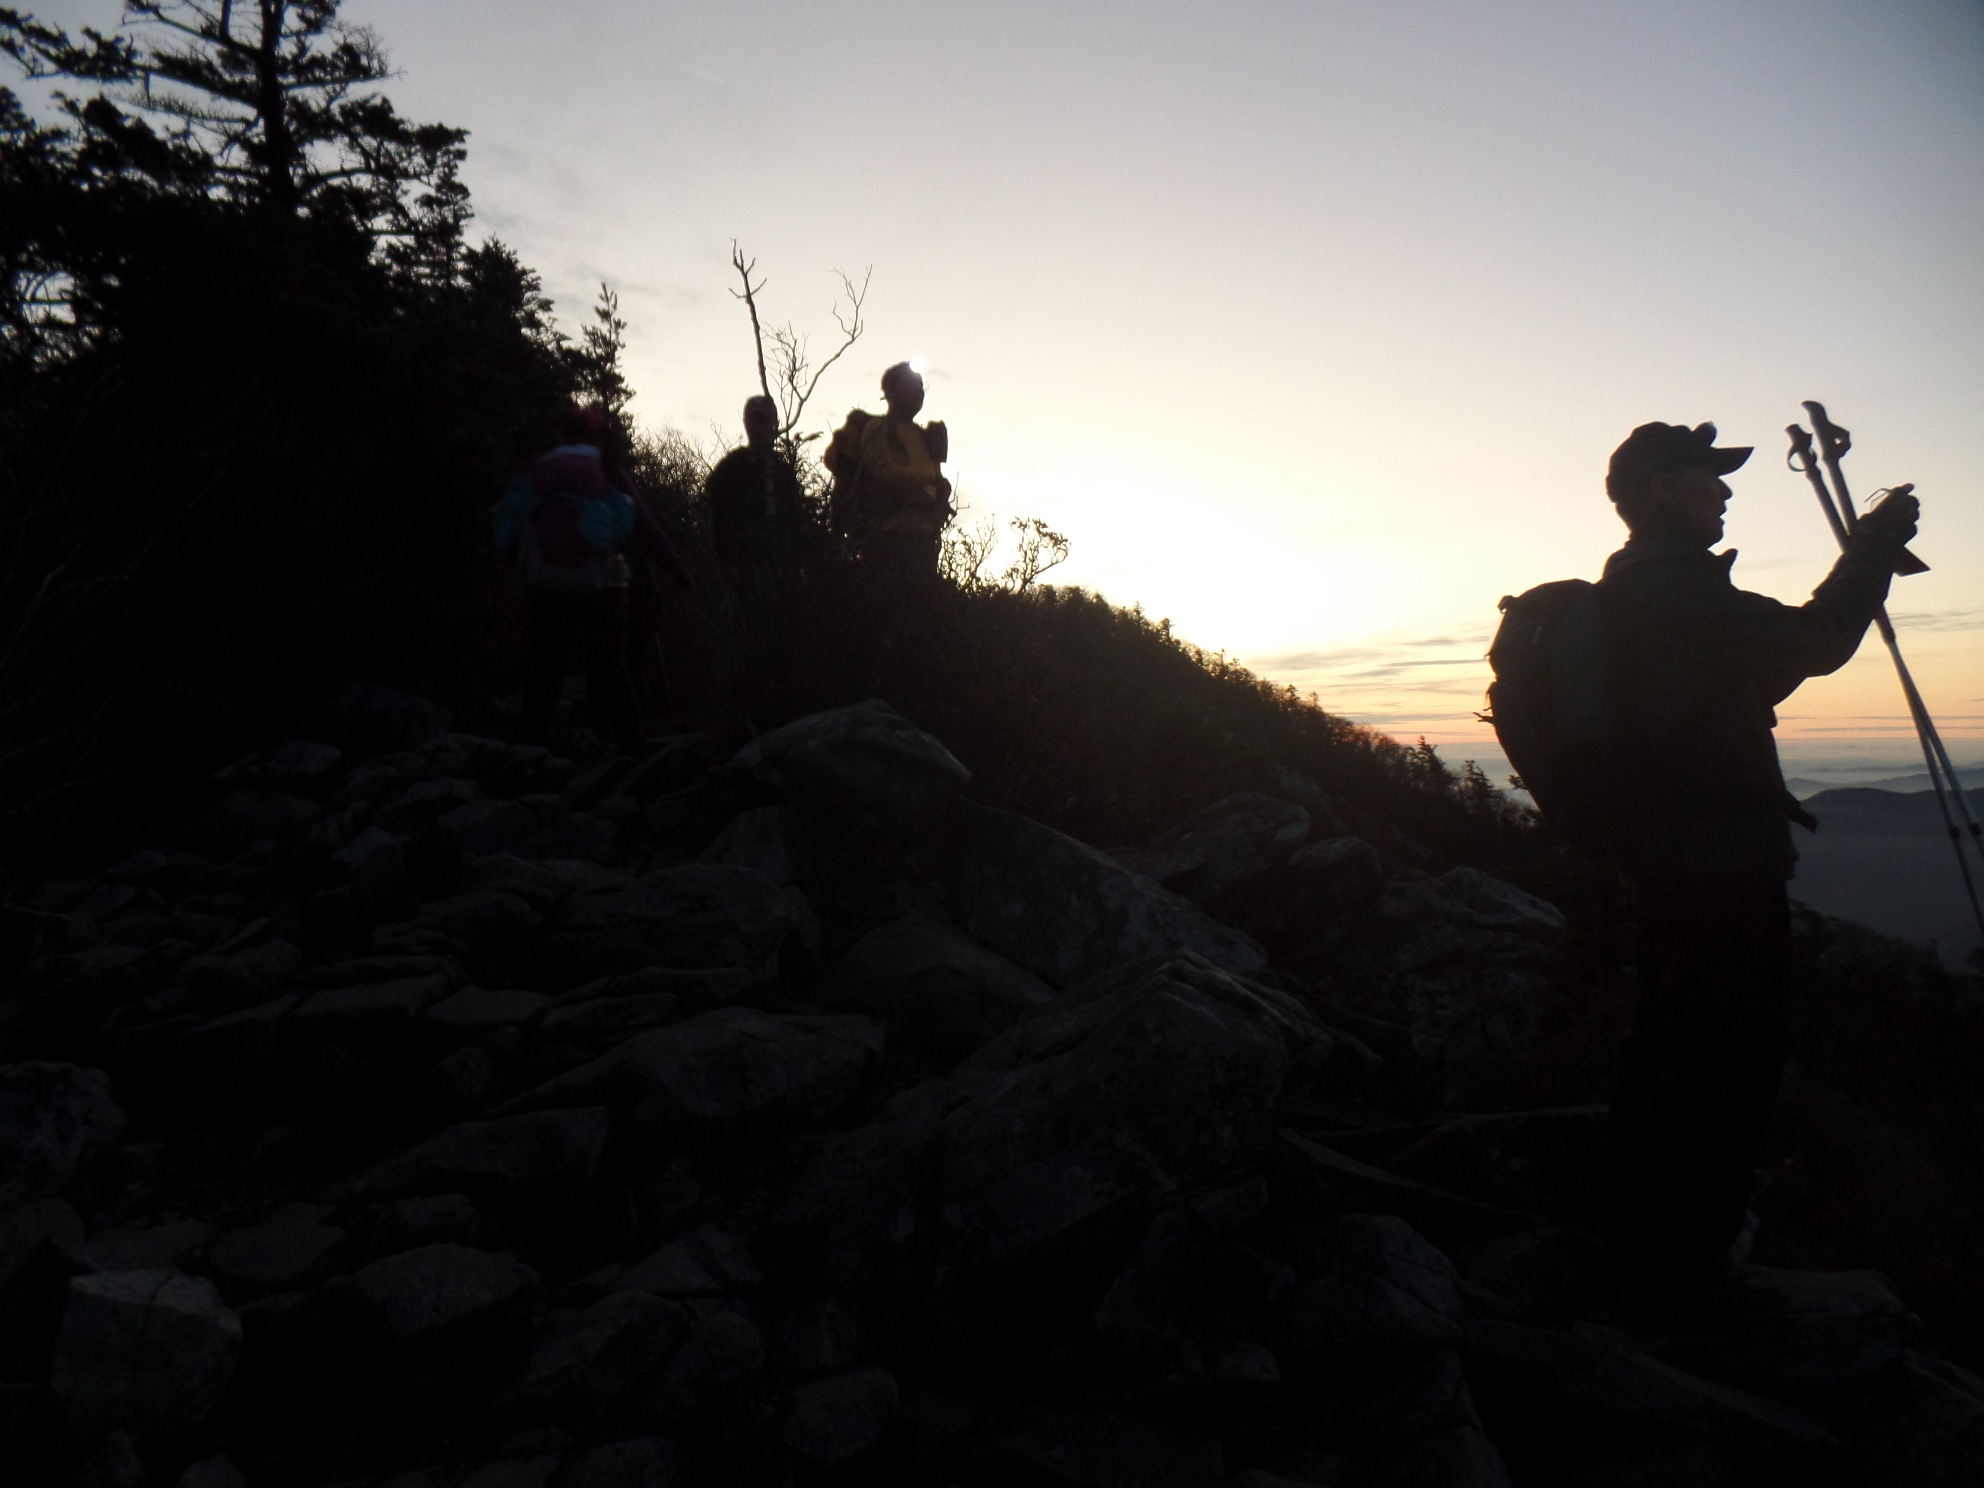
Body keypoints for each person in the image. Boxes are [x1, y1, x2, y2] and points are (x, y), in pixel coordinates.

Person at [1596, 420, 1920, 1301]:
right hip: (1718, 864)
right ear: (1663, 488)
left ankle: (1645, 1233)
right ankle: (1686, 1261)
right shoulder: (1671, 588)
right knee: (1727, 1055)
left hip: (1679, 859)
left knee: (1677, 1041)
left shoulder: (1641, 589)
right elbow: (1819, 641)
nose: (1726, 490)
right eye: (1708, 476)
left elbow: (1750, 678)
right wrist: (1872, 550)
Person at [494, 408, 690, 755]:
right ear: (600, 437)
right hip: (604, 585)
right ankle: (631, 749)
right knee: (611, 668)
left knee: (544, 671)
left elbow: (514, 525)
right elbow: (645, 526)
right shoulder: (608, 472)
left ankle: (526, 751)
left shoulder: (545, 471)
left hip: (546, 584)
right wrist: (679, 572)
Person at [823, 362, 951, 578]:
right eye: (911, 384)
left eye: (921, 386)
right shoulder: (877, 428)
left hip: (924, 535)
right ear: (890, 391)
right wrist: (930, 480)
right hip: (887, 533)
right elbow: (883, 470)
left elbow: (934, 482)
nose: (918, 391)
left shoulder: (924, 436)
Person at [704, 394, 810, 583]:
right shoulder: (730, 467)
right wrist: (728, 563)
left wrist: (796, 564)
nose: (757, 427)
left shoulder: (782, 471)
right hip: (742, 566)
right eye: (753, 421)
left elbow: (795, 520)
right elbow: (719, 518)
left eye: (762, 421)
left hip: (779, 566)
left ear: (773, 424)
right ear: (746, 423)